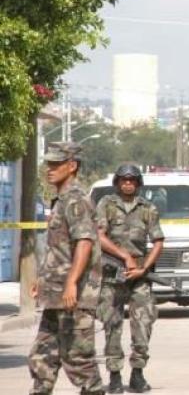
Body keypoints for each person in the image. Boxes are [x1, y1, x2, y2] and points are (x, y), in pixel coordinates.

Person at [28, 142, 104, 395]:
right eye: (48, 164)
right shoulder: (61, 200)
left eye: (56, 164)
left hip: (74, 296)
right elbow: (60, 248)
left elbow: (84, 242)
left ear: (72, 166)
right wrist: (43, 278)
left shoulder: (76, 200)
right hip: (55, 294)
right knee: (42, 357)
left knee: (79, 360)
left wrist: (71, 282)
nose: (49, 169)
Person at [94, 164, 165, 393]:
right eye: (124, 180)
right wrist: (124, 257)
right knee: (111, 325)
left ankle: (137, 374)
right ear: (117, 182)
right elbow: (99, 236)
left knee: (143, 326)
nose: (128, 183)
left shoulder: (148, 208)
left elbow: (158, 241)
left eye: (132, 180)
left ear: (138, 183)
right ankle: (114, 375)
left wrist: (143, 268)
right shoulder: (107, 204)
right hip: (112, 275)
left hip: (139, 277)